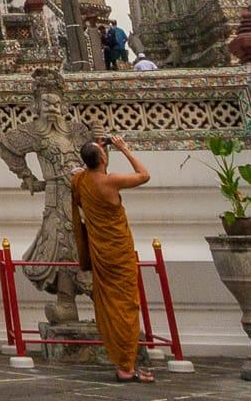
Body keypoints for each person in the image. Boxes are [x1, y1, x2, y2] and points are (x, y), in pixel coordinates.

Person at [71, 134, 154, 383]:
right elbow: (144, 175)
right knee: (126, 307)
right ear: (103, 158)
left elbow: (78, 169)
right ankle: (127, 367)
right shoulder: (110, 181)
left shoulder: (80, 180)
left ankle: (123, 362)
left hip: (101, 254)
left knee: (111, 307)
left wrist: (98, 148)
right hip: (118, 253)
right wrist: (125, 149)